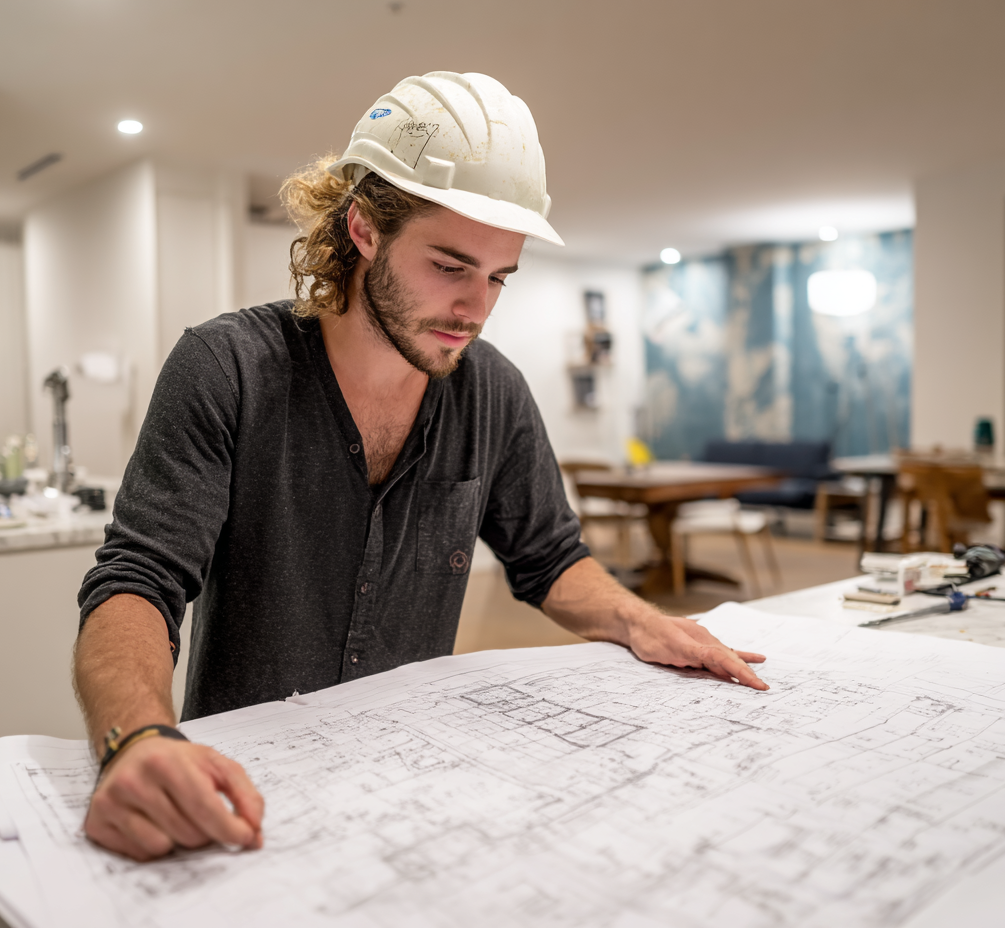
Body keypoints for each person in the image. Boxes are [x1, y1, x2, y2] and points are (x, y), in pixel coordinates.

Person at [73, 71, 768, 862]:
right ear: (363, 230)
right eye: (450, 266)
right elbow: (138, 580)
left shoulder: (493, 390)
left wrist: (641, 620)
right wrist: (136, 740)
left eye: (499, 276)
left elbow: (548, 558)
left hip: (410, 788)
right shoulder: (227, 368)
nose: (477, 307)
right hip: (235, 783)